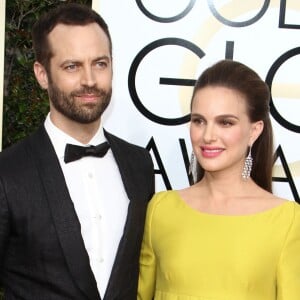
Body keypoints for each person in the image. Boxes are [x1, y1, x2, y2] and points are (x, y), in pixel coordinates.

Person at [0, 3, 154, 300]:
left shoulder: (139, 164)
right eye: (72, 66)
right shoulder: (8, 174)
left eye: (100, 63)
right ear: (42, 75)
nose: (90, 80)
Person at [138, 60, 300, 300]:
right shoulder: (160, 210)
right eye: (199, 120)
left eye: (225, 122)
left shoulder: (287, 221)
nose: (208, 136)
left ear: (254, 131)